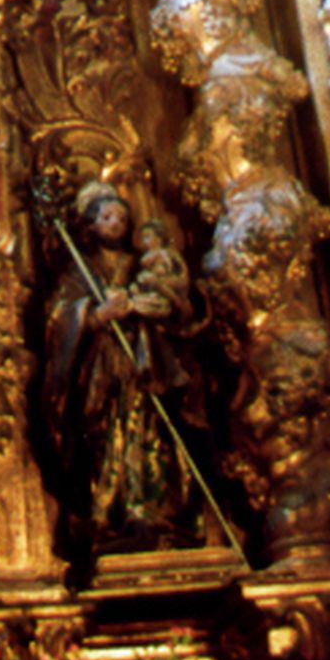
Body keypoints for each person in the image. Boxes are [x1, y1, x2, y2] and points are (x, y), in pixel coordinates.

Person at [43, 184, 202, 556]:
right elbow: (57, 317)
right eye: (107, 217)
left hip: (143, 361)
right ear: (90, 224)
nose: (115, 224)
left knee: (148, 428)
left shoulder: (139, 264)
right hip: (101, 366)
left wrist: (140, 304)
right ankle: (108, 509)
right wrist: (95, 315)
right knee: (104, 433)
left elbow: (171, 301)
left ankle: (150, 508)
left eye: (122, 218)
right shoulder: (80, 269)